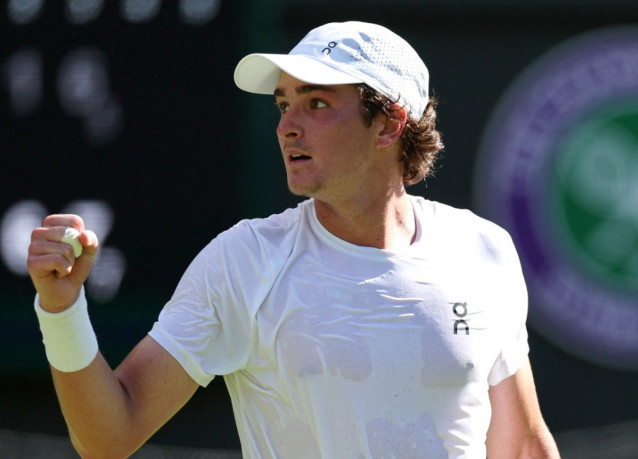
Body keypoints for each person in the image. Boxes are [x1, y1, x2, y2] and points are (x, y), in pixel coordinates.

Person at [28, 21, 560, 458]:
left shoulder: (484, 250)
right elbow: (107, 437)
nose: (287, 126)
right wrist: (61, 309)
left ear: (389, 123)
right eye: (284, 105)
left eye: (317, 104)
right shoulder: (242, 262)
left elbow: (521, 446)